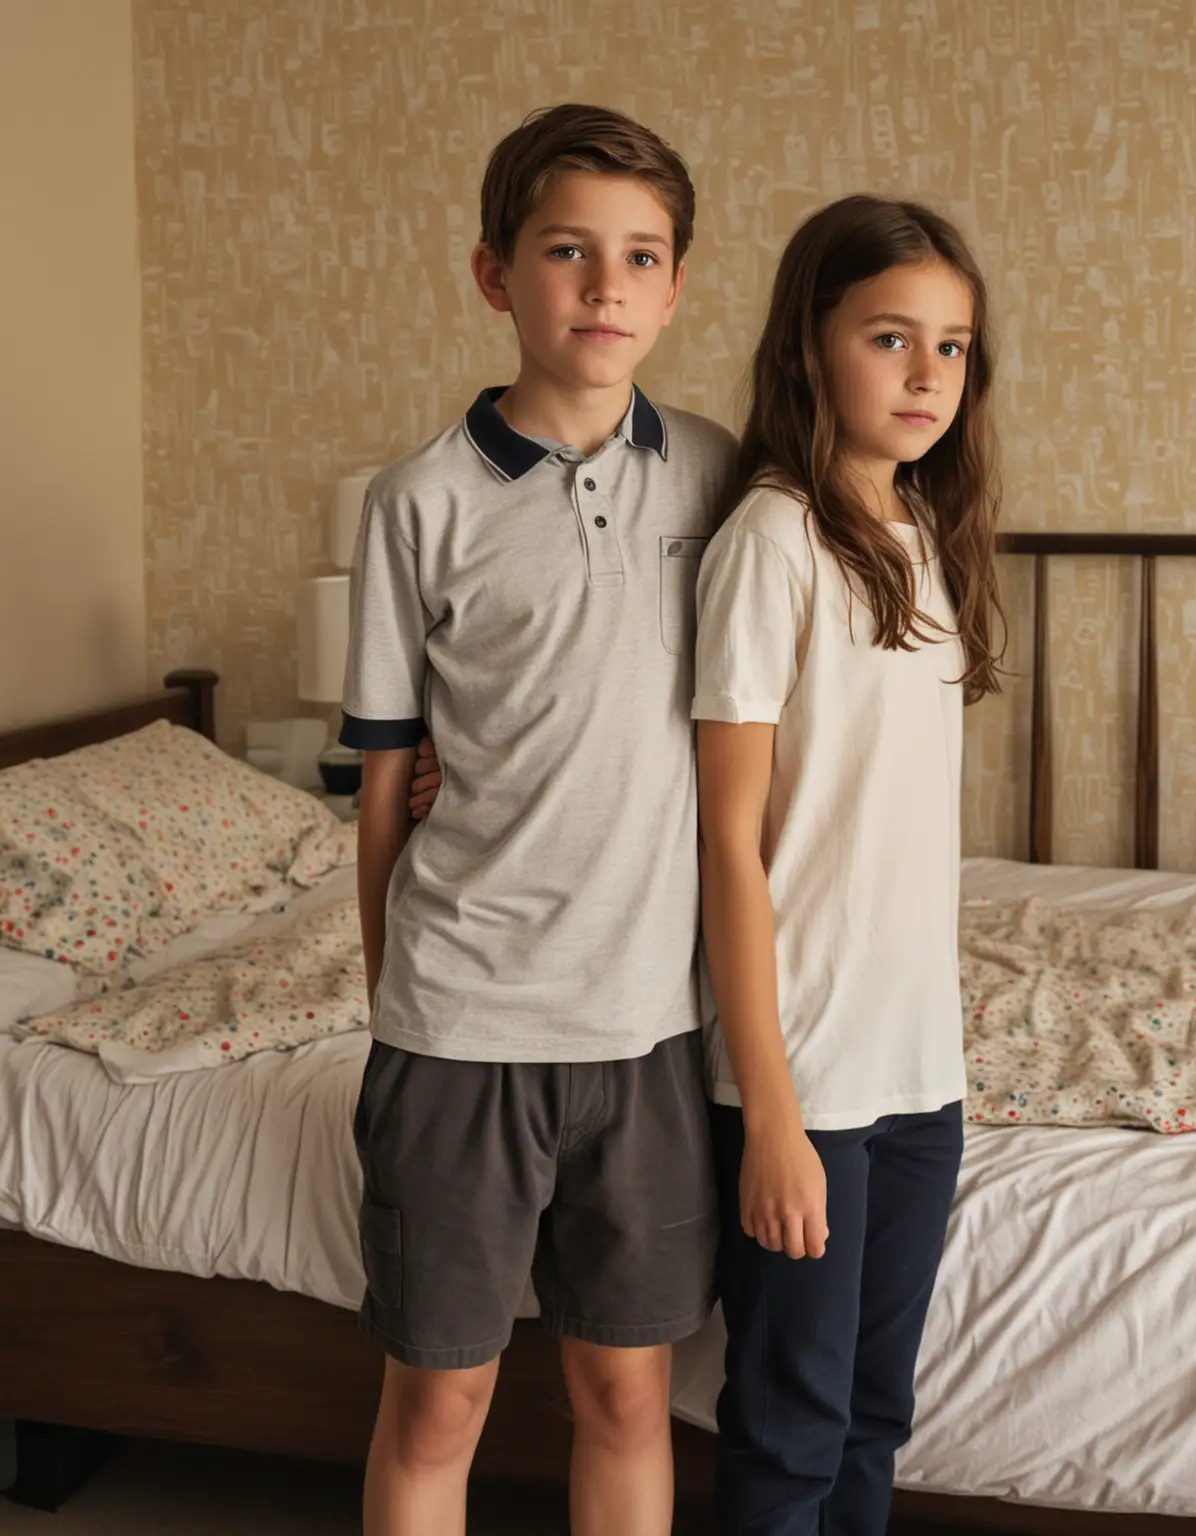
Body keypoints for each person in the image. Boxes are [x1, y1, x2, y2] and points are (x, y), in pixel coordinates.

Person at [340, 102, 736, 1536]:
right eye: (568, 251)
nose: (606, 285)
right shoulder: (417, 502)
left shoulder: (719, 471)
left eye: (641, 256)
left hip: (647, 1032)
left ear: (678, 285)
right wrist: (398, 997)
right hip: (460, 1027)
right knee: (437, 1402)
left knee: (628, 1395)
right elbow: (387, 779)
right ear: (495, 273)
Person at [692, 194, 1004, 1534]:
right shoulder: (772, 542)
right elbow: (728, 837)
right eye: (891, 338)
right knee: (791, 1424)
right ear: (812, 346)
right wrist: (767, 1108)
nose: (929, 374)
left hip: (917, 1064)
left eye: (953, 346)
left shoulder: (920, 537)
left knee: (876, 1412)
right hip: (806, 1070)